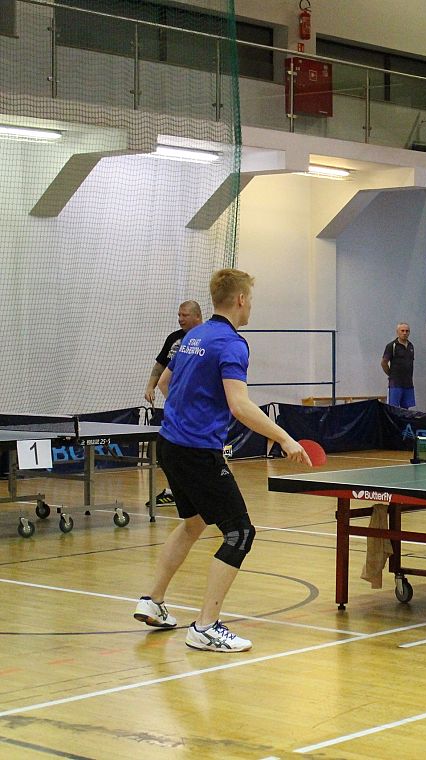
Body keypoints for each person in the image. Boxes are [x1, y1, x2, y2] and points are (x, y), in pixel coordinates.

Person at [133, 269, 309, 653]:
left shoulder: (193, 336)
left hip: (170, 444)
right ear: (241, 299)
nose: (251, 305)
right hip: (198, 451)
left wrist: (189, 411)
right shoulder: (232, 344)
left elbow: (165, 383)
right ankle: (205, 626)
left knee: (193, 522)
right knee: (240, 533)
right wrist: (284, 438)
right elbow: (239, 405)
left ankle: (152, 601)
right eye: (251, 299)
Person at [144, 300, 203, 507]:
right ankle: (176, 491)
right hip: (177, 408)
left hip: (197, 409)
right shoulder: (174, 338)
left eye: (184, 315)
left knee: (197, 452)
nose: (180, 319)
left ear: (197, 316)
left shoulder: (205, 338)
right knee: (171, 450)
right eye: (179, 315)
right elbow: (160, 366)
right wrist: (150, 386)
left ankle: (197, 491)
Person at [381, 322, 415, 409]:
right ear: (397, 332)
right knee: (393, 409)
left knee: (406, 410)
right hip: (395, 384)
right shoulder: (391, 346)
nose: (405, 333)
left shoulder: (411, 346)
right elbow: (384, 363)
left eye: (407, 331)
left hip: (408, 384)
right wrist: (391, 374)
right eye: (402, 331)